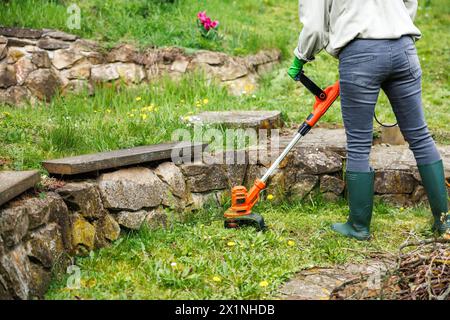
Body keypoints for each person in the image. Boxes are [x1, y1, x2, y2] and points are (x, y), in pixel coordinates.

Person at [288, 0, 448, 240]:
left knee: (359, 144)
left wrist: (301, 56)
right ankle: (444, 223)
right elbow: (409, 2)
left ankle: (358, 226)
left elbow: (314, 27)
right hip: (404, 47)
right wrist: (395, 25)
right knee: (420, 137)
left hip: (360, 53)